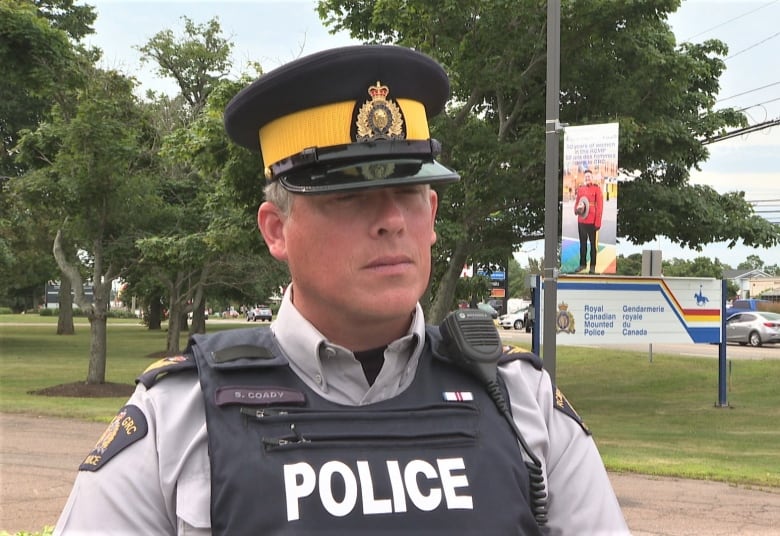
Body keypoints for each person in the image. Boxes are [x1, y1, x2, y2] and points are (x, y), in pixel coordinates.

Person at [54, 45, 628, 535]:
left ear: (431, 214)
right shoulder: (178, 418)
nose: (390, 221)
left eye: (408, 193)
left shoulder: (522, 405)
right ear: (276, 230)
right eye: (348, 197)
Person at [574, 168, 604, 274]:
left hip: (592, 221)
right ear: (584, 178)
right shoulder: (581, 189)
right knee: (582, 244)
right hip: (581, 220)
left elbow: (600, 207)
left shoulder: (596, 189)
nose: (587, 178)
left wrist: (598, 222)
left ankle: (592, 267)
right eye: (586, 176)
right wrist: (576, 210)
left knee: (592, 246)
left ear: (592, 178)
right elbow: (577, 202)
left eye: (589, 176)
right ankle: (582, 265)